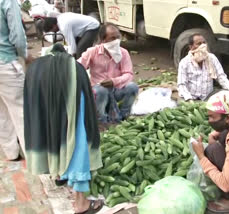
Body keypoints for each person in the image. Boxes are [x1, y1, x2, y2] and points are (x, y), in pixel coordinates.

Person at [24, 44, 103, 214]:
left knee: (51, 127)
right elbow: (81, 120)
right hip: (72, 90)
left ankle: (59, 173)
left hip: (43, 90)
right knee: (78, 136)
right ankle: (81, 204)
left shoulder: (35, 69)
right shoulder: (76, 69)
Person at [78, 23, 139, 124]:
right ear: (103, 40)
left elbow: (128, 74)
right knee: (101, 91)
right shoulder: (93, 52)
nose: (116, 41)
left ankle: (124, 116)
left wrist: (114, 81)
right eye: (112, 38)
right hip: (98, 91)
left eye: (118, 37)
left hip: (117, 89)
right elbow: (78, 66)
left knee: (132, 87)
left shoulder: (123, 53)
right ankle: (101, 120)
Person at [0, 0, 33, 160]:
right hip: (5, 62)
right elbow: (18, 36)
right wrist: (25, 55)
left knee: (1, 112)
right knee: (21, 110)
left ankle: (11, 153)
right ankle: (33, 155)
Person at [177, 34, 229, 101]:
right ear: (191, 47)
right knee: (181, 102)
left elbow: (221, 77)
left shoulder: (211, 58)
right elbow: (181, 84)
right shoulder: (184, 62)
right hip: (191, 97)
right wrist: (189, 99)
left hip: (209, 95)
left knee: (227, 97)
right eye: (199, 44)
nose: (203, 46)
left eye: (204, 43)